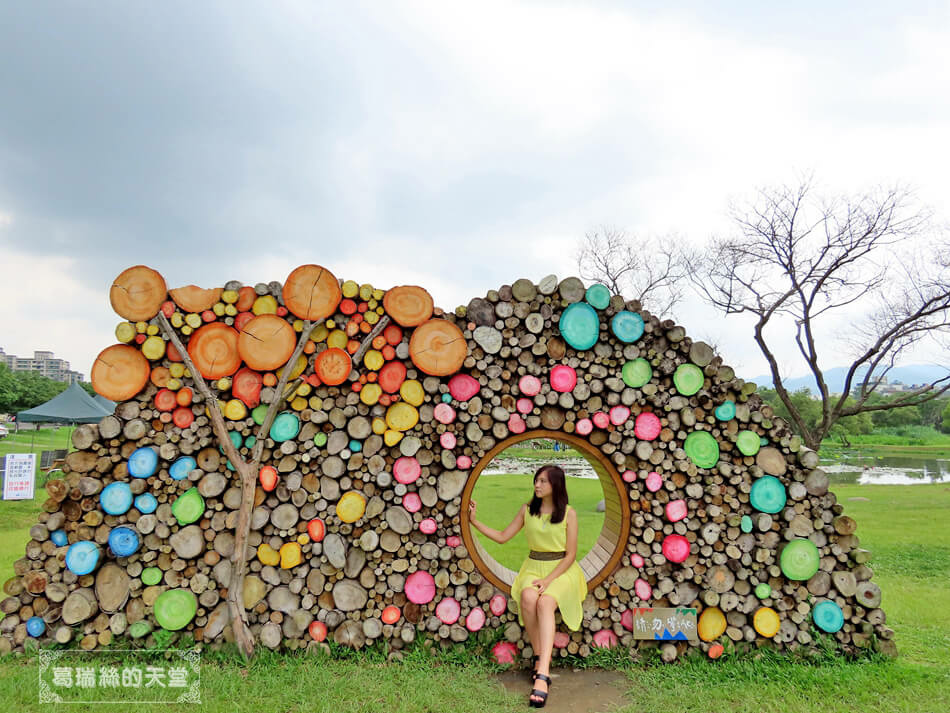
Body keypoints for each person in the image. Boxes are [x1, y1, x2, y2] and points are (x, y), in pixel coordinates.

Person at [468, 464, 587, 708]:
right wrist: (475, 522)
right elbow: (503, 537)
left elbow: (571, 555)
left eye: (543, 481)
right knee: (528, 598)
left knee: (545, 602)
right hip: (533, 567)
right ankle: (538, 655)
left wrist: (548, 580)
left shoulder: (569, 513)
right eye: (536, 481)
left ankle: (542, 674)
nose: (537, 485)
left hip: (561, 570)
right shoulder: (527, 510)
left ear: (556, 485)